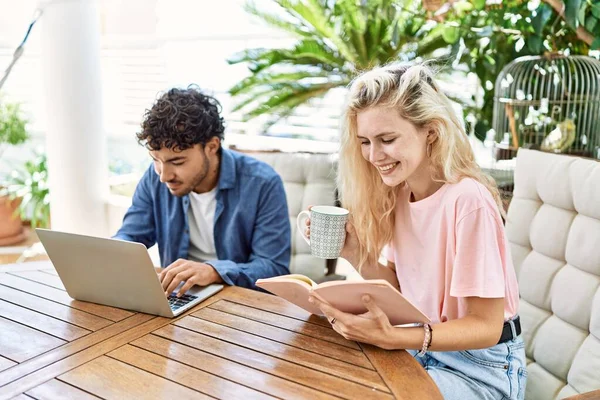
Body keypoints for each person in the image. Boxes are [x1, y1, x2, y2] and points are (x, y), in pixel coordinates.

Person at [306, 64, 526, 400]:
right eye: (365, 142)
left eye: (387, 139)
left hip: (482, 369)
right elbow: (399, 287)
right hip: (423, 350)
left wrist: (396, 338)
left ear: (431, 133)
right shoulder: (399, 193)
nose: (374, 156)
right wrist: (352, 252)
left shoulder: (468, 201)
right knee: (326, 374)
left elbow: (485, 326)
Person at [114, 86, 291, 295]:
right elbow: (131, 235)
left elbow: (273, 268)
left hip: (238, 303)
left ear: (212, 146)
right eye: (156, 161)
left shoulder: (263, 183)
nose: (164, 175)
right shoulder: (155, 177)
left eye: (177, 161)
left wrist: (213, 271)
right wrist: (112, 251)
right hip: (178, 296)